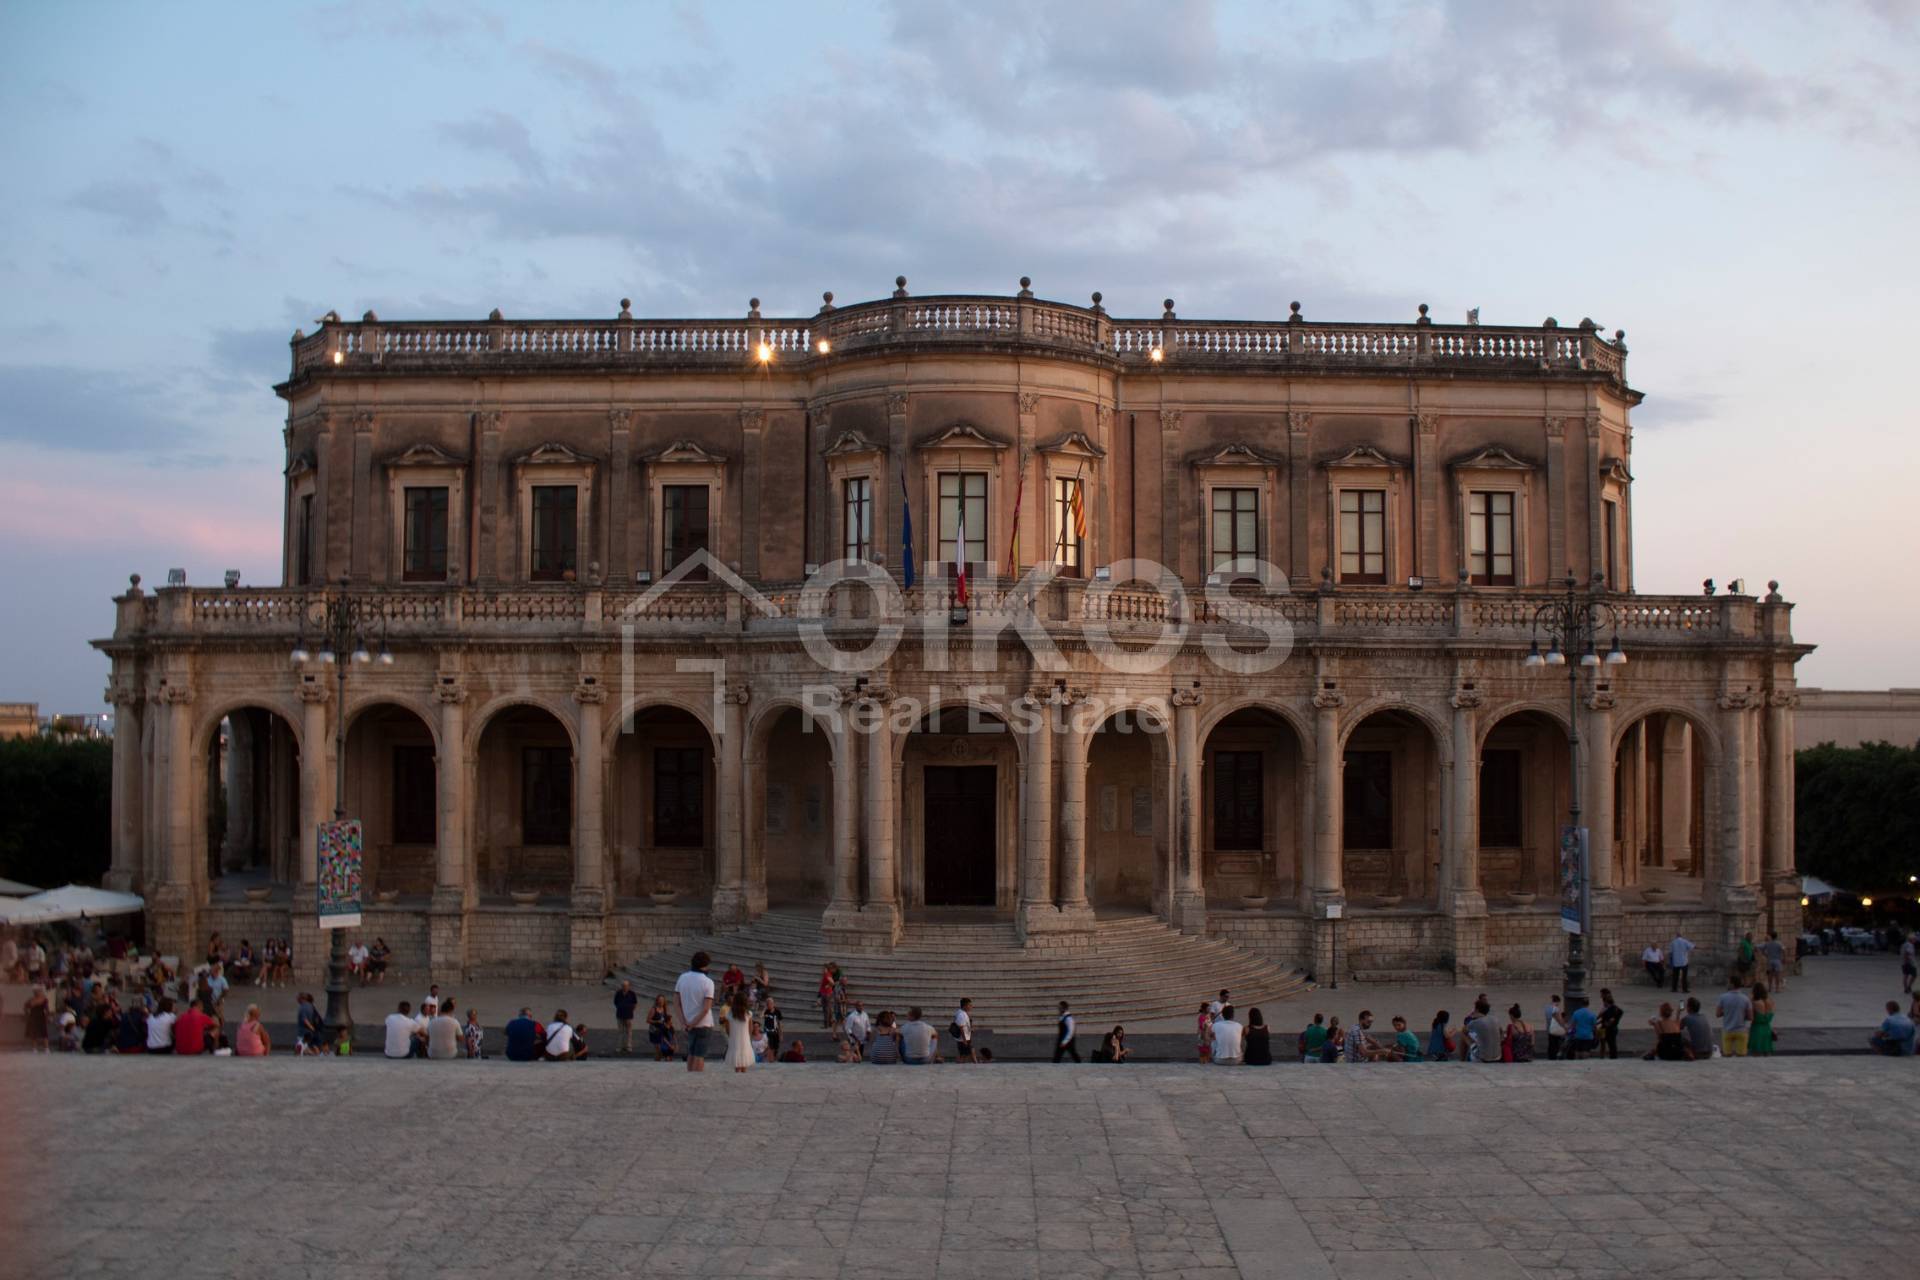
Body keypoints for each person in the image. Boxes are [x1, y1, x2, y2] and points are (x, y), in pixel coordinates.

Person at [676, 951, 716, 1073]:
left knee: (691, 1053)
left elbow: (677, 1003)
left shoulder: (682, 977)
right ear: (705, 965)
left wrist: (684, 1023)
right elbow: (706, 1008)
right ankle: (696, 1080)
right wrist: (693, 1023)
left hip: (687, 1022)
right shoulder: (708, 982)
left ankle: (689, 1077)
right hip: (703, 1024)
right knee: (699, 1055)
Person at [1716, 978, 1753, 1058]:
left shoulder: (1723, 997)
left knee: (1727, 1056)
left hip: (1727, 1030)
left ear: (1732, 984)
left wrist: (1726, 1011)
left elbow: (1718, 1014)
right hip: (1741, 1030)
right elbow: (1750, 1017)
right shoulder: (1745, 998)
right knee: (1741, 1056)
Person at [1748, 984, 1775, 1056]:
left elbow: (1750, 1016)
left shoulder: (1754, 1003)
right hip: (1767, 1028)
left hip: (1757, 1028)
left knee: (1756, 1052)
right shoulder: (1770, 1002)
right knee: (1767, 1052)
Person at [613, 980, 640, 1055]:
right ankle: (619, 1046)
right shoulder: (618, 993)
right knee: (620, 1031)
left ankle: (628, 1046)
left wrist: (631, 1010)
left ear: (628, 986)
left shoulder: (632, 994)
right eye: (623, 986)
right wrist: (620, 1007)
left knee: (629, 1031)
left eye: (626, 986)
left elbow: (635, 1003)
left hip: (628, 1015)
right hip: (620, 1015)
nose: (624, 987)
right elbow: (615, 1002)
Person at [1596, 989, 1624, 1060]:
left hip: (1608, 1029)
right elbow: (1602, 1018)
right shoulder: (1607, 1009)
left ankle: (1610, 1057)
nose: (1603, 1004)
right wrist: (1597, 1022)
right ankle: (1603, 1056)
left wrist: (1608, 1023)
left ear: (1606, 1002)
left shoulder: (1612, 1009)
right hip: (1603, 1028)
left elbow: (1611, 1019)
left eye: (1604, 1002)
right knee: (1603, 1043)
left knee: (1610, 1044)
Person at [647, 996, 676, 1061]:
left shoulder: (664, 1009)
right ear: (657, 1001)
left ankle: (659, 1062)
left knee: (662, 1049)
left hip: (662, 1031)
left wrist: (669, 1025)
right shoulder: (653, 1009)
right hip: (654, 1031)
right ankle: (656, 1062)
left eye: (662, 1000)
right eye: (659, 1000)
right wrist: (657, 1021)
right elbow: (648, 1020)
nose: (661, 1002)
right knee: (658, 1049)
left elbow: (667, 1019)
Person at [1543, 994, 1567, 1060]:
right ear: (1557, 1001)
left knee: (1551, 1043)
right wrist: (1565, 1027)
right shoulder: (1556, 1009)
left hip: (1549, 1028)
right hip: (1555, 1028)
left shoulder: (1547, 1008)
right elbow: (1559, 1020)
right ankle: (1554, 1057)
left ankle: (1550, 1056)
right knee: (1556, 1044)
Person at [950, 997, 974, 1062]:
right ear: (965, 1006)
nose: (971, 1007)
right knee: (964, 1055)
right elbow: (961, 1028)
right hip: (963, 1038)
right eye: (970, 1005)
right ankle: (961, 1064)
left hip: (964, 1038)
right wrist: (965, 1040)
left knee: (965, 1054)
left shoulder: (962, 1013)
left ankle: (971, 1063)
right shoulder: (961, 1014)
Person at [761, 997, 784, 1062]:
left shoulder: (777, 1011)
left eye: (770, 1003)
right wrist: (764, 1008)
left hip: (776, 1032)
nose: (769, 1005)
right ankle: (771, 1060)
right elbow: (761, 1016)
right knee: (770, 1047)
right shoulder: (766, 1011)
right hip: (767, 1032)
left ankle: (774, 1059)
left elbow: (780, 1023)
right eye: (767, 1004)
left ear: (773, 1004)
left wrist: (781, 1034)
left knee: (776, 1047)